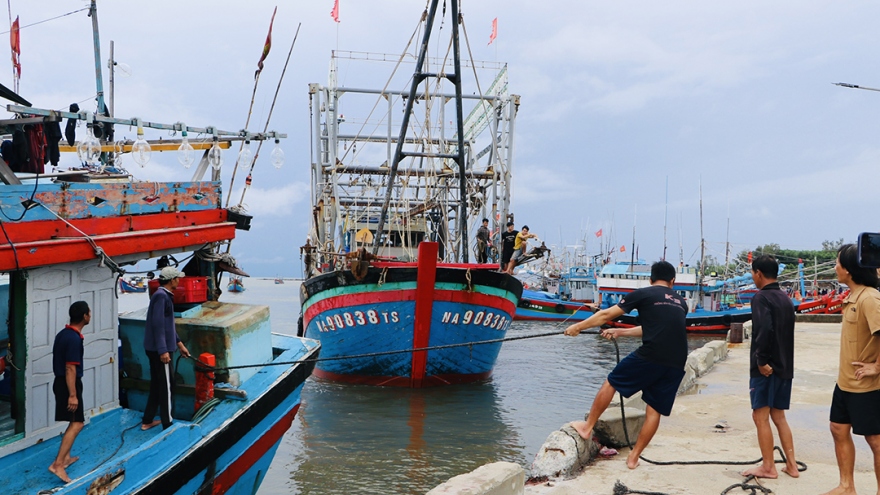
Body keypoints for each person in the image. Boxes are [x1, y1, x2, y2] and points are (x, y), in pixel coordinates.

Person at [564, 260, 687, 469]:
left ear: (650, 279)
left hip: (652, 354)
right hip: (677, 360)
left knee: (611, 382)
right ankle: (634, 458)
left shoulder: (644, 293)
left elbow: (605, 315)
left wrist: (578, 327)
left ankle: (587, 427)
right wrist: (621, 332)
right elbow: (655, 329)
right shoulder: (681, 302)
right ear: (673, 281)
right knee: (654, 410)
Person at [819, 243, 880, 495]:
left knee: (875, 441)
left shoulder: (870, 298)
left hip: (866, 386)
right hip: (845, 383)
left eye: (837, 263)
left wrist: (877, 367)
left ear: (849, 270)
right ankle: (847, 486)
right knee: (838, 428)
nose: (835, 268)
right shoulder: (854, 297)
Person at [743, 255, 799, 479]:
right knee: (779, 416)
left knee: (760, 416)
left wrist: (761, 361)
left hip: (767, 368)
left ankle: (768, 466)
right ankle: (792, 465)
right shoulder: (785, 299)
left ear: (758, 273)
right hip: (785, 366)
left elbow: (764, 330)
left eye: (752, 273)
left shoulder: (761, 298)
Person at [142, 266, 190, 431]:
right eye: (177, 278)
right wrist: (163, 350)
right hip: (159, 350)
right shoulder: (162, 297)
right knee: (168, 386)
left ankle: (148, 419)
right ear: (172, 280)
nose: (179, 280)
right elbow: (158, 325)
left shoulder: (162, 296)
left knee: (157, 384)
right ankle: (168, 424)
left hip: (155, 348)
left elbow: (168, 327)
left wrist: (180, 344)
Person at [48, 301, 91, 483]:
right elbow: (70, 369)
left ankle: (65, 458)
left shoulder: (64, 334)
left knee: (74, 421)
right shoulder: (73, 338)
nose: (90, 315)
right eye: (89, 313)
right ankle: (58, 464)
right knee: (77, 423)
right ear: (84, 316)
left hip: (62, 383)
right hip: (68, 384)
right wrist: (72, 395)